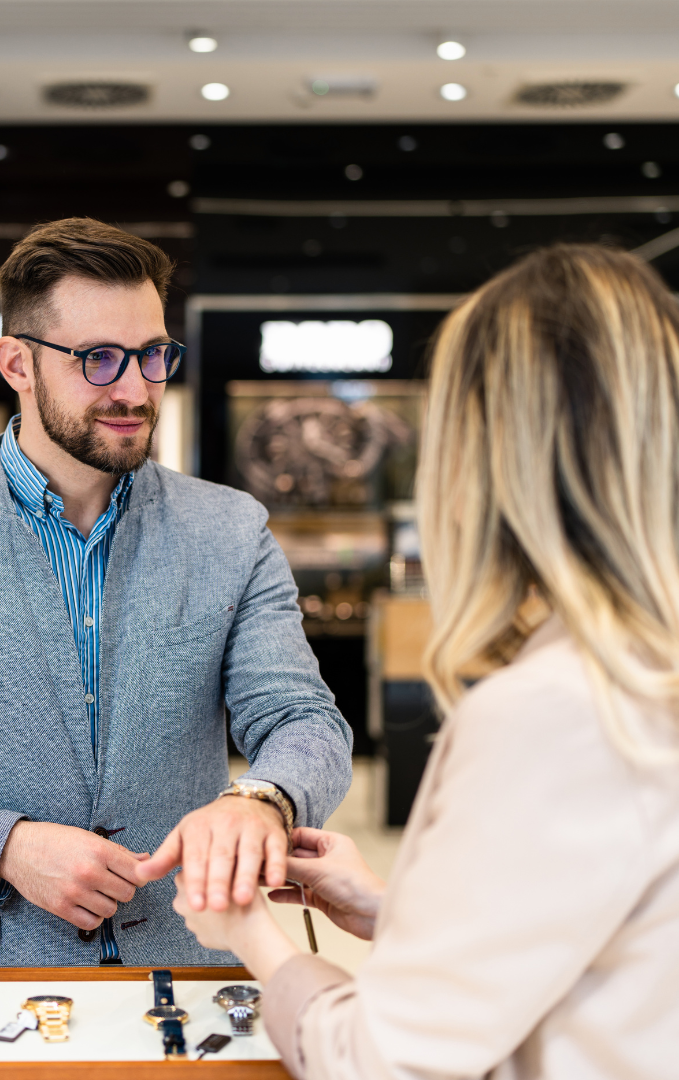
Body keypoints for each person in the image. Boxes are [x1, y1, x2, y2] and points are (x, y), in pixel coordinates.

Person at [170, 243, 679, 1077]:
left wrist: (244, 932)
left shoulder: (560, 706)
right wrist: (400, 907)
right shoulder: (634, 672)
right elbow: (600, 930)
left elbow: (381, 1059)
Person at [0, 217, 352, 968]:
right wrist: (6, 848)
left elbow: (304, 720)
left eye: (153, 356)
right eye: (98, 359)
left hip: (191, 966)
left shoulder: (230, 529)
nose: (134, 388)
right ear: (16, 363)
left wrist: (264, 799)